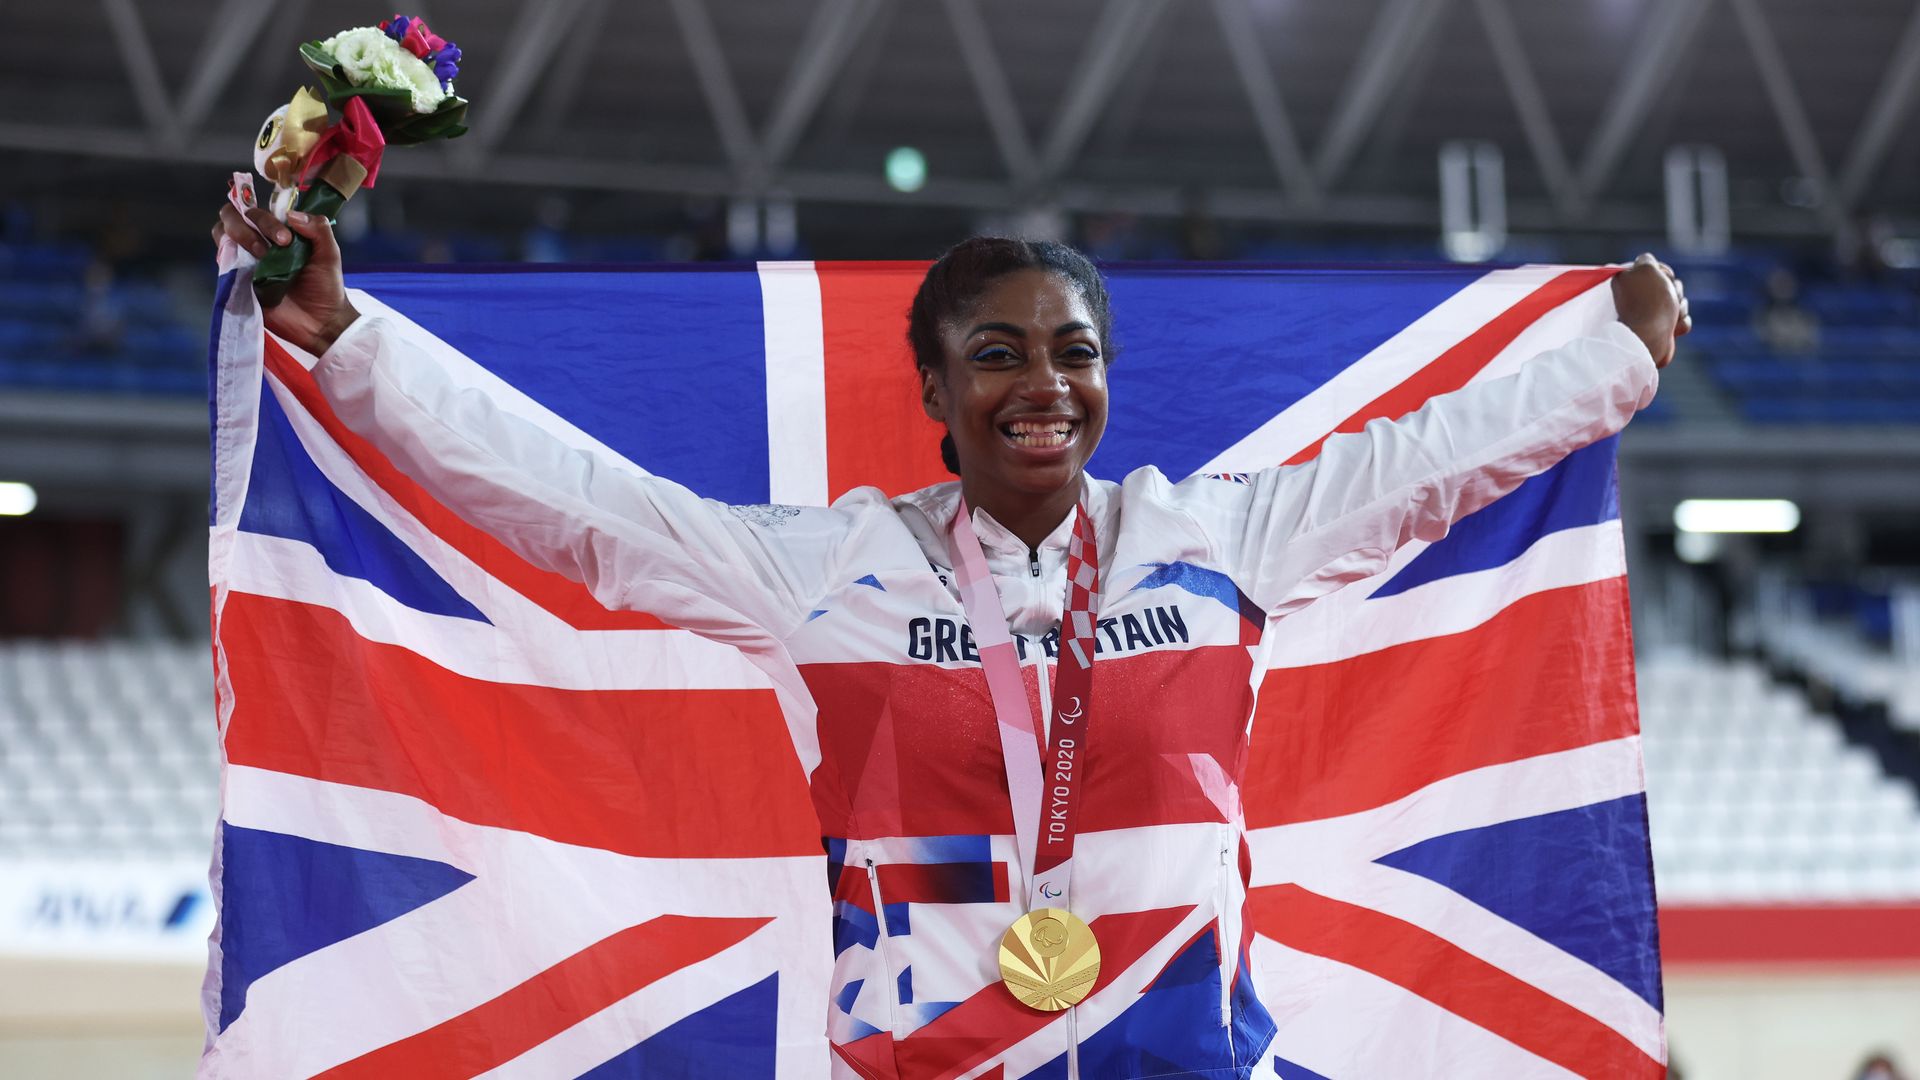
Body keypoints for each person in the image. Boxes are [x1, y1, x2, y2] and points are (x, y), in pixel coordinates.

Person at [212, 203, 1688, 1077]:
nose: (1042, 385)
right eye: (998, 354)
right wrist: (353, 345)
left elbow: (1432, 458)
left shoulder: (1216, 540)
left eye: (1073, 352)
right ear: (935, 385)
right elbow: (584, 506)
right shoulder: (828, 571)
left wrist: (1615, 357)